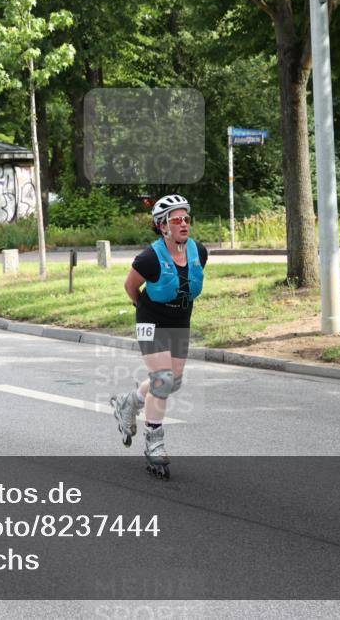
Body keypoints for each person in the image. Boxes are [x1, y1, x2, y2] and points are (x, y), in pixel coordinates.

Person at [109, 194, 208, 479]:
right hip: (151, 318)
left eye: (186, 218)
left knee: (172, 381)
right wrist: (142, 307)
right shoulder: (149, 258)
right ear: (162, 226)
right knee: (163, 381)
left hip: (180, 319)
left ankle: (129, 401)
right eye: (176, 219)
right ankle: (155, 442)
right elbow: (131, 287)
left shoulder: (198, 251)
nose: (183, 224)